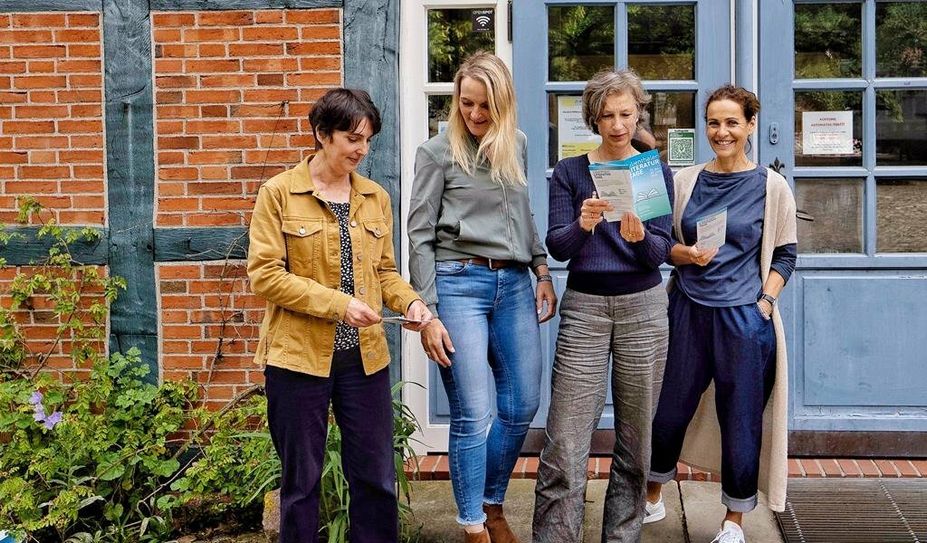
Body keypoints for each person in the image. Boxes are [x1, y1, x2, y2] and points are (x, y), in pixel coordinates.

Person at [247, 87, 433, 543]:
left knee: (375, 480)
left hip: (363, 362)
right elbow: (266, 276)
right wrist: (338, 304)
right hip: (297, 360)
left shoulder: (374, 197)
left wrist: (410, 302)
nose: (361, 150)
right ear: (321, 135)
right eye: (352, 138)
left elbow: (385, 272)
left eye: (367, 140)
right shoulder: (278, 194)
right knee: (301, 486)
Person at [408, 51, 557, 543]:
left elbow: (524, 213)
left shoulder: (516, 144)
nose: (474, 115)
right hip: (457, 284)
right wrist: (426, 309)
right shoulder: (436, 153)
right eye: (466, 104)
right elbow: (420, 234)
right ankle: (473, 523)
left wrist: (541, 269)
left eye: (485, 107)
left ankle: (492, 503)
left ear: (504, 104)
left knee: (521, 406)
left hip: (514, 284)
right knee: (473, 413)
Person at [645, 85, 797, 543]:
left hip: (744, 322)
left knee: (742, 419)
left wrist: (765, 304)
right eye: (714, 122)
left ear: (751, 125)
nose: (722, 131)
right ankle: (651, 497)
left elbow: (786, 255)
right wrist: (684, 254)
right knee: (668, 411)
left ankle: (733, 521)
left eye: (732, 122)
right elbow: (660, 245)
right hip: (687, 311)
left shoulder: (771, 187)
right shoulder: (685, 181)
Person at [533, 68, 674, 543]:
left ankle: (622, 536)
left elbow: (660, 252)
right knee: (565, 441)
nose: (617, 124)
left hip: (644, 309)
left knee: (636, 441)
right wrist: (583, 225)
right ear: (593, 117)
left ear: (639, 114)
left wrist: (637, 239)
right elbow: (558, 246)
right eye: (607, 114)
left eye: (626, 114)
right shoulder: (572, 172)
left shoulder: (650, 169)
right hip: (586, 309)